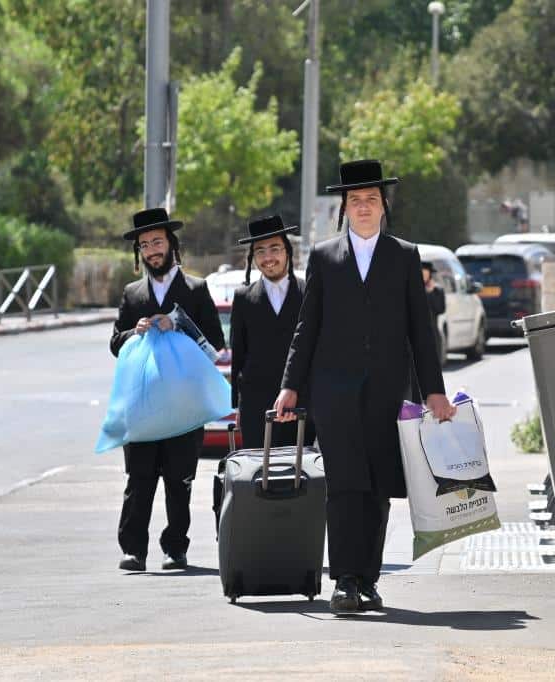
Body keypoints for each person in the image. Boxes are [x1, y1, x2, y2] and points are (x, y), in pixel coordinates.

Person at [273, 159, 456, 613]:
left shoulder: (405, 255)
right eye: (355, 201)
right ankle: (345, 580)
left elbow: (421, 331)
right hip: (333, 392)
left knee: (378, 486)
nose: (364, 207)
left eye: (371, 200)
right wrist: (290, 386)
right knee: (343, 485)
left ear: (383, 206)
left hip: (388, 393)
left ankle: (369, 579)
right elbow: (306, 327)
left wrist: (434, 390)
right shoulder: (323, 256)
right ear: (344, 208)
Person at [110, 207, 226, 572]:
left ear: (171, 244)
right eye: (144, 245)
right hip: (142, 405)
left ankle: (175, 548)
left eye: (157, 241)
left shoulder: (195, 289)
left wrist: (179, 326)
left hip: (183, 406)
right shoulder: (132, 294)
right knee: (139, 479)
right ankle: (133, 550)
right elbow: (115, 344)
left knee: (179, 480)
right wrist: (134, 332)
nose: (151, 250)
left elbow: (216, 346)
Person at [229, 215, 316, 449]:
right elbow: (239, 355)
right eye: (260, 251)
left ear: (287, 250)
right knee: (258, 478)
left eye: (275, 249)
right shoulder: (243, 298)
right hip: (256, 409)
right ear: (252, 257)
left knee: (300, 478)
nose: (268, 258)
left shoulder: (309, 292)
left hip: (302, 404)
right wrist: (238, 407)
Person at [411, 261, 447, 402]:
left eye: (426, 273)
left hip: (432, 335)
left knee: (433, 369)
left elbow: (440, 309)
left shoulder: (437, 290)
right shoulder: (412, 288)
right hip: (414, 336)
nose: (424, 275)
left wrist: (431, 293)